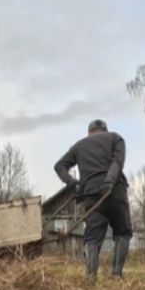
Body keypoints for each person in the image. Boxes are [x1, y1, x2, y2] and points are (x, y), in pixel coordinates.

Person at [54, 119, 132, 280]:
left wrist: (72, 183)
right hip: (115, 192)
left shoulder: (80, 145)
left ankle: (91, 277)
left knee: (92, 238)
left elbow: (59, 166)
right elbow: (118, 162)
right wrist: (109, 181)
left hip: (91, 196)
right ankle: (116, 274)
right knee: (123, 232)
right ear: (105, 129)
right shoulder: (116, 138)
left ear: (89, 132)